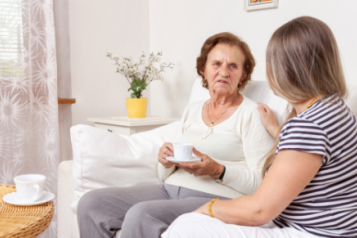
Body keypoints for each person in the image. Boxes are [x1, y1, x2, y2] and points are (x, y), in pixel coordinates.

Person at [162, 16, 357, 238]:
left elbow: (259, 210)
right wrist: (277, 130)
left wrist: (209, 208)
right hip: (329, 227)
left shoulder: (307, 126)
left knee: (185, 226)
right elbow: (308, 154)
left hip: (312, 232)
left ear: (287, 68)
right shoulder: (334, 109)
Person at [77, 32, 274, 238]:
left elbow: (262, 183)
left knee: (141, 215)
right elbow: (166, 173)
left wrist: (218, 170)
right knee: (92, 203)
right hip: (169, 189)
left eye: (233, 66)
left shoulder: (252, 113)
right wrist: (165, 161)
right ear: (203, 70)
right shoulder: (193, 109)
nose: (223, 72)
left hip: (215, 198)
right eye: (216, 64)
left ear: (243, 75)